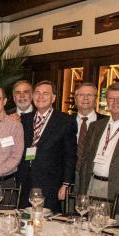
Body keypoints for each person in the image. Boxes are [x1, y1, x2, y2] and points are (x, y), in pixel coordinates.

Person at [75, 81, 119, 217]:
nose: (115, 102)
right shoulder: (96, 126)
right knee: (91, 230)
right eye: (111, 99)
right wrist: (82, 192)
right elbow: (85, 161)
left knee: (114, 232)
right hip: (92, 186)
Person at [16, 81, 76, 213]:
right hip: (26, 180)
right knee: (24, 220)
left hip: (50, 183)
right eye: (37, 93)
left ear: (53, 98)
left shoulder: (65, 121)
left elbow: (70, 155)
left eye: (45, 93)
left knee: (46, 223)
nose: (40, 97)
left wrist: (66, 184)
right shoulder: (24, 119)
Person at [72, 82, 100, 177]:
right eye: (81, 95)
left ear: (96, 99)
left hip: (93, 177)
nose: (85, 98)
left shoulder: (106, 122)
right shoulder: (65, 122)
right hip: (69, 175)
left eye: (89, 95)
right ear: (75, 99)